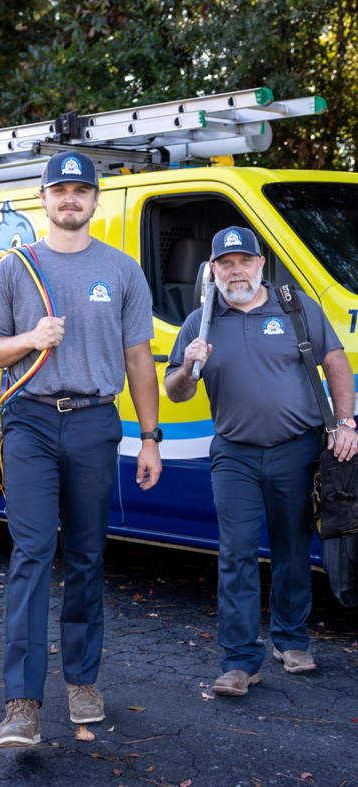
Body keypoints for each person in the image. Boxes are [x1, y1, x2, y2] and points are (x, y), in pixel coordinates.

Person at [0, 150, 162, 747]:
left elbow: (139, 361)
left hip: (94, 423)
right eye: (61, 190)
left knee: (86, 555)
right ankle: (22, 701)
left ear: (94, 200)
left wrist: (151, 438)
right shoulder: (14, 268)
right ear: (44, 198)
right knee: (32, 553)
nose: (70, 199)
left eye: (81, 190)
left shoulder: (123, 270)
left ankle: (81, 678)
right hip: (28, 422)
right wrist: (30, 338)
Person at [164, 226, 357, 697]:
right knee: (236, 553)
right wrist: (189, 367)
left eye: (243, 261)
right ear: (212, 271)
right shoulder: (199, 322)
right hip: (234, 453)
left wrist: (346, 422)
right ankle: (239, 661)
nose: (235, 271)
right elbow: (175, 390)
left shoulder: (293, 307)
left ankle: (291, 641)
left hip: (297, 447)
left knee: (292, 547)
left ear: (260, 264)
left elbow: (335, 361)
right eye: (225, 264)